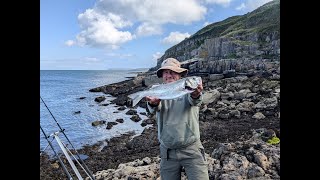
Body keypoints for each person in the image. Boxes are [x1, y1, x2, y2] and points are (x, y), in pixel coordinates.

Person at [146, 57, 209, 180]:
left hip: (192, 149)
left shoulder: (188, 89)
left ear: (180, 74)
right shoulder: (157, 91)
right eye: (166, 72)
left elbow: (195, 101)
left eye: (172, 71)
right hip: (167, 152)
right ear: (162, 75)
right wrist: (153, 103)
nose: (169, 75)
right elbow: (151, 111)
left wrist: (196, 94)